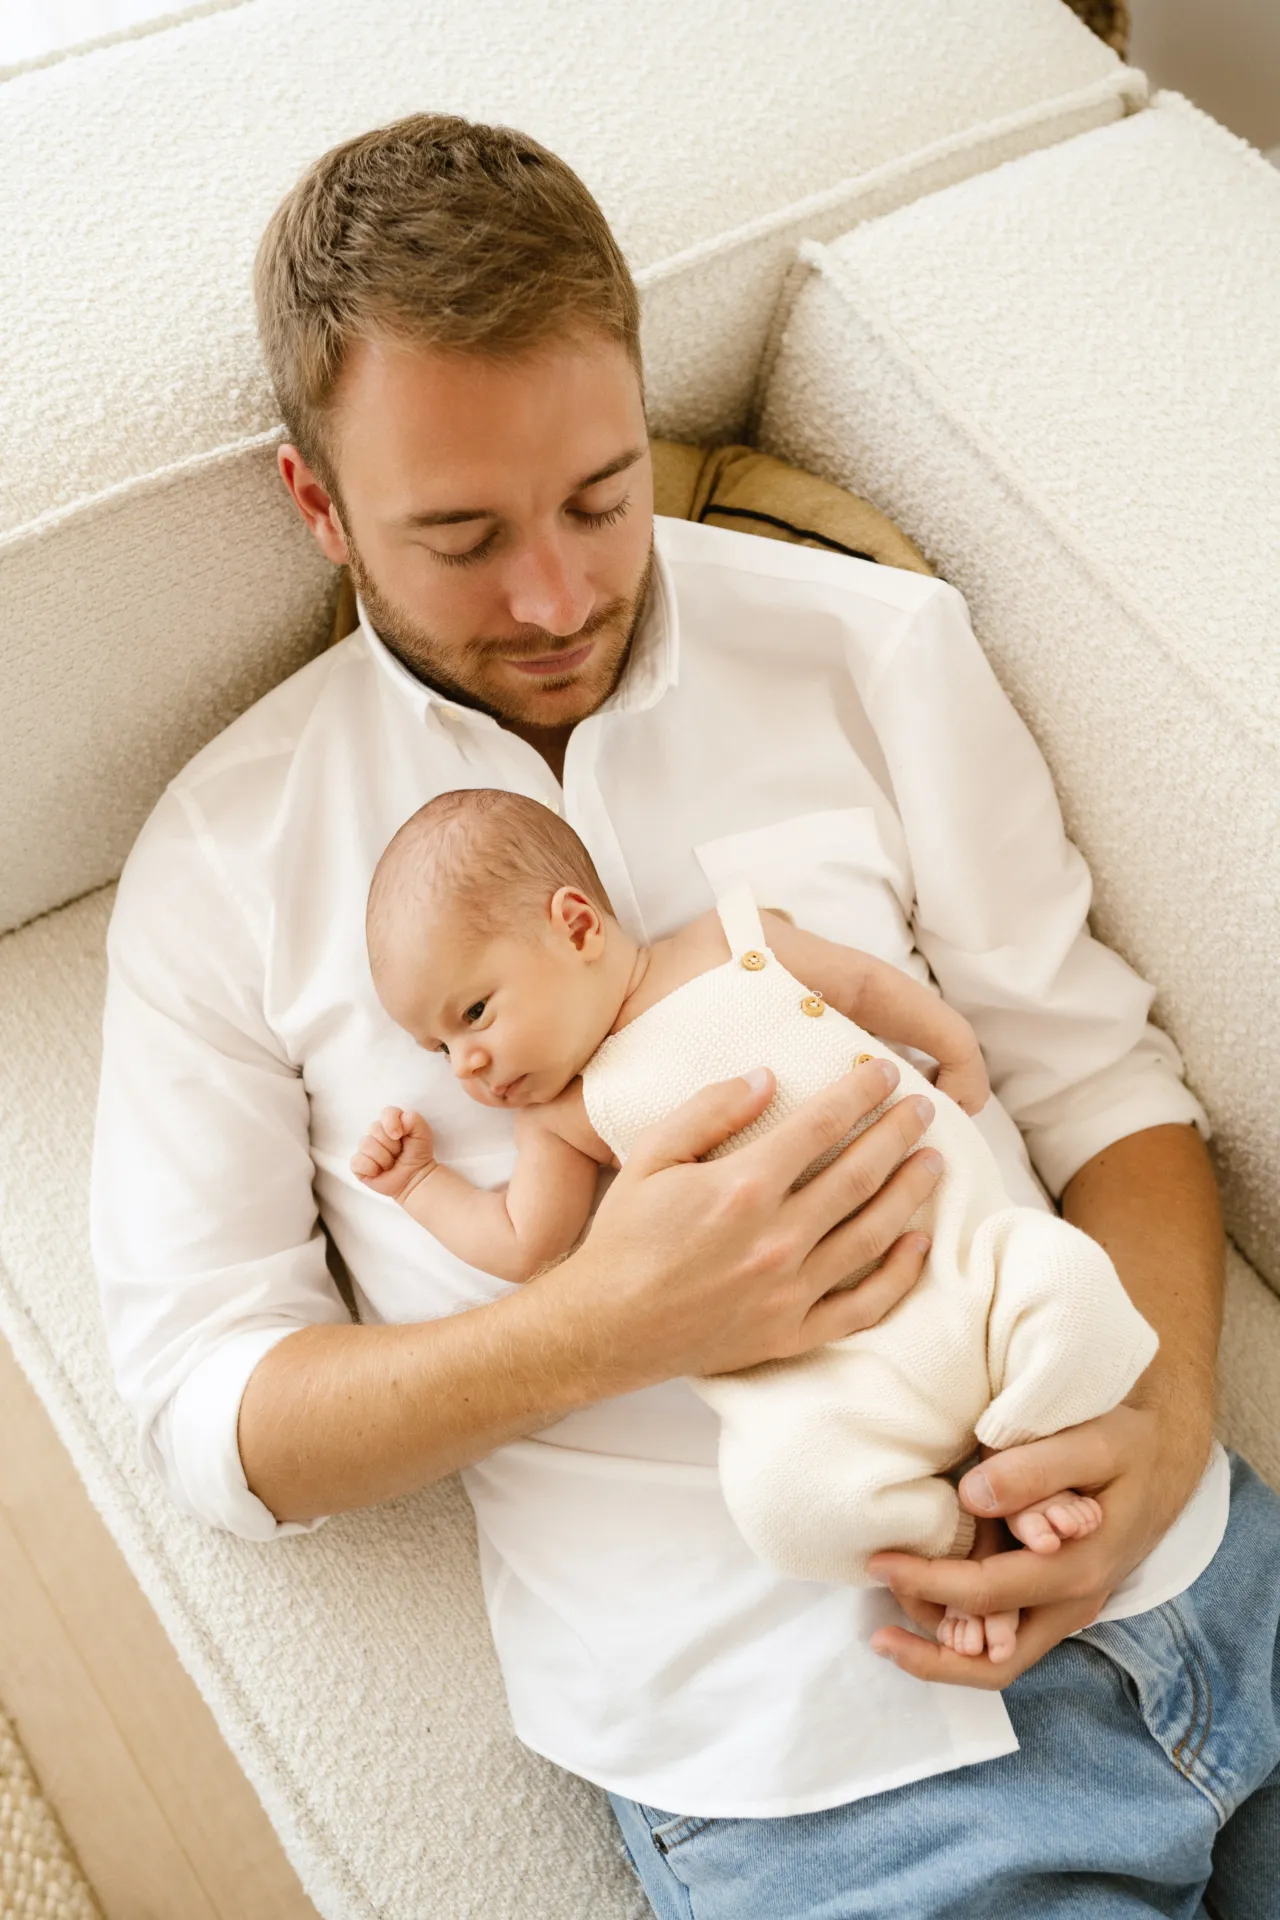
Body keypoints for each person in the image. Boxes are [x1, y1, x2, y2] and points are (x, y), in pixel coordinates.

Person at [90, 112, 1279, 1917]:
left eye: (600, 492)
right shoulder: (226, 861)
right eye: (465, 537)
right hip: (820, 1777)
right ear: (318, 506)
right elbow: (210, 1413)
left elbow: (1101, 1080)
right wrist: (603, 1323)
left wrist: (1171, 1416)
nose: (560, 595)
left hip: (1201, 1591)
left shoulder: (869, 647)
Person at [351, 785, 1152, 1659]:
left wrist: (953, 1043)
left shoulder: (735, 942)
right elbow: (522, 1243)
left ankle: (1028, 1456)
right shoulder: (563, 1116)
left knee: (1075, 1284)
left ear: (576, 926)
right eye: (437, 1051)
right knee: (783, 1505)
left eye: (473, 1014)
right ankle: (964, 1547)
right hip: (826, 1378)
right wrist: (421, 1183)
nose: (466, 1065)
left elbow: (858, 983)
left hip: (965, 1258)